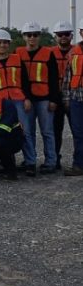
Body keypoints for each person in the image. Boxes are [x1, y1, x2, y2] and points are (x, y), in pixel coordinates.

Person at [0, 29, 33, 175]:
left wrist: (27, 97)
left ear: (9, 44)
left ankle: (30, 163)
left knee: (25, 131)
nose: (2, 45)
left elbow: (25, 81)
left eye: (5, 42)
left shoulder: (17, 59)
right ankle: (8, 164)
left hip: (18, 99)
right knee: (2, 133)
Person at [16, 22, 59, 174]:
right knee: (27, 132)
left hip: (44, 98)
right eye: (29, 35)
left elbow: (54, 78)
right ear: (24, 37)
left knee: (47, 131)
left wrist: (54, 99)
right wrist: (25, 97)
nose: (32, 38)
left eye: (35, 35)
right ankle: (30, 160)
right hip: (26, 99)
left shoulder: (48, 53)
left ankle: (51, 162)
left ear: (39, 37)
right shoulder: (18, 53)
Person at [51, 20, 75, 170]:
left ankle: (79, 160)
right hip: (55, 96)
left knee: (77, 130)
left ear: (71, 36)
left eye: (66, 34)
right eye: (60, 34)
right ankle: (55, 159)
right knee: (55, 131)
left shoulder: (78, 51)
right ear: (55, 37)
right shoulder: (49, 53)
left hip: (74, 97)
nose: (63, 37)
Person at [61, 20, 83, 176]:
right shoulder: (74, 52)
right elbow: (68, 77)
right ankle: (79, 165)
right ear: (81, 33)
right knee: (78, 133)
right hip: (76, 98)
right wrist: (67, 98)